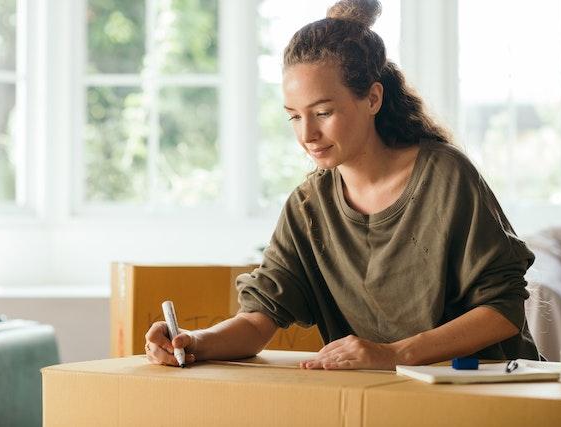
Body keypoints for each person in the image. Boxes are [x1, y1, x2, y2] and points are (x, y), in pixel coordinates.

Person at [145, 0, 540, 370]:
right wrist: (193, 341)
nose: (307, 134)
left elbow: (502, 310)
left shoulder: (446, 176)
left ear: (372, 98)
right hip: (384, 398)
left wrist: (394, 354)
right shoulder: (308, 206)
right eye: (294, 117)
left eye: (323, 112)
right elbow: (257, 321)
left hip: (484, 391)